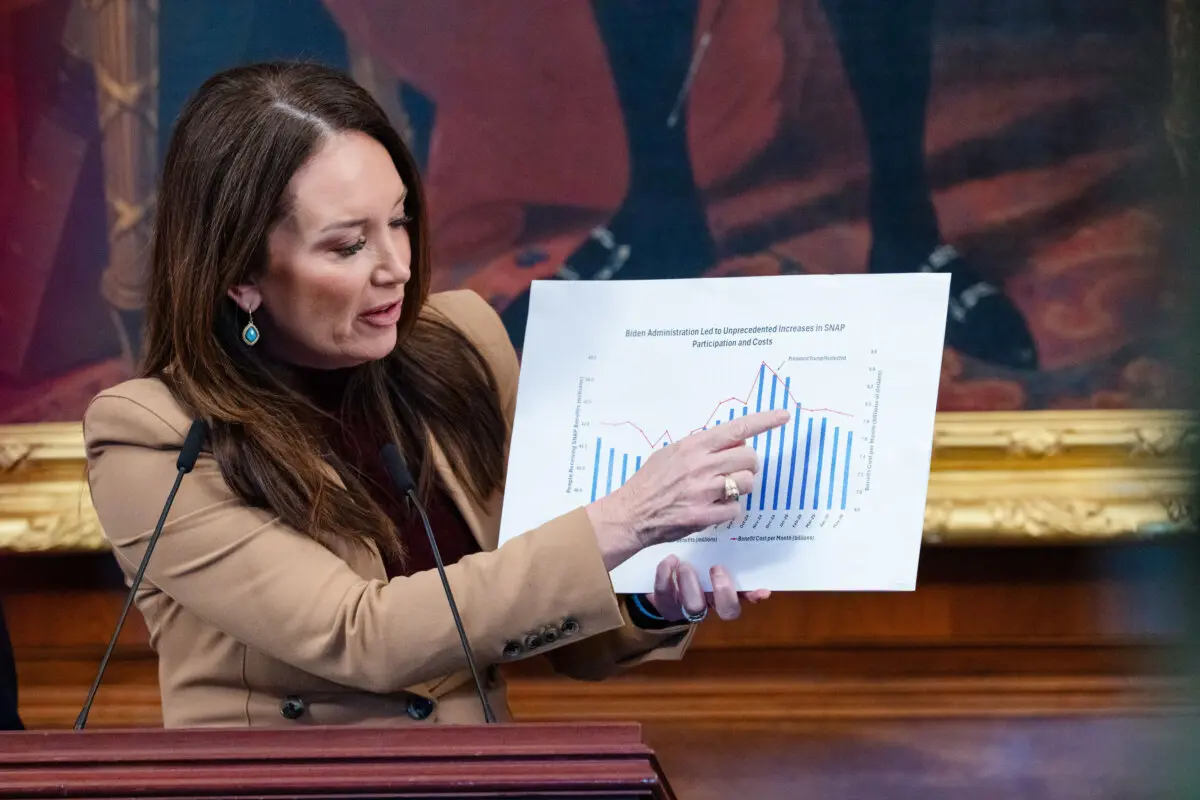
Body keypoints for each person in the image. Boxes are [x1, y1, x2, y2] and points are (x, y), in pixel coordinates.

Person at [82, 61, 785, 728]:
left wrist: (652, 599)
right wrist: (624, 521)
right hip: (292, 789)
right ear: (241, 275)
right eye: (348, 245)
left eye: (399, 221)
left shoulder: (462, 343)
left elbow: (545, 612)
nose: (396, 265)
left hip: (477, 781)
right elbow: (362, 636)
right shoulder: (150, 436)